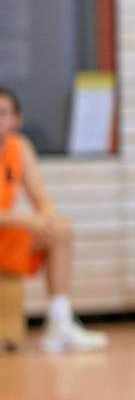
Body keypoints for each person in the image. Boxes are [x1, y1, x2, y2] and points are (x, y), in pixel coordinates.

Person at [0, 87, 108, 353]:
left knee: (61, 231)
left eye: (2, 113)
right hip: (9, 224)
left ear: (17, 119)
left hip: (6, 234)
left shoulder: (19, 147)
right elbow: (21, 218)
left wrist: (49, 217)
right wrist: (26, 220)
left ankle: (59, 322)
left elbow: (41, 196)